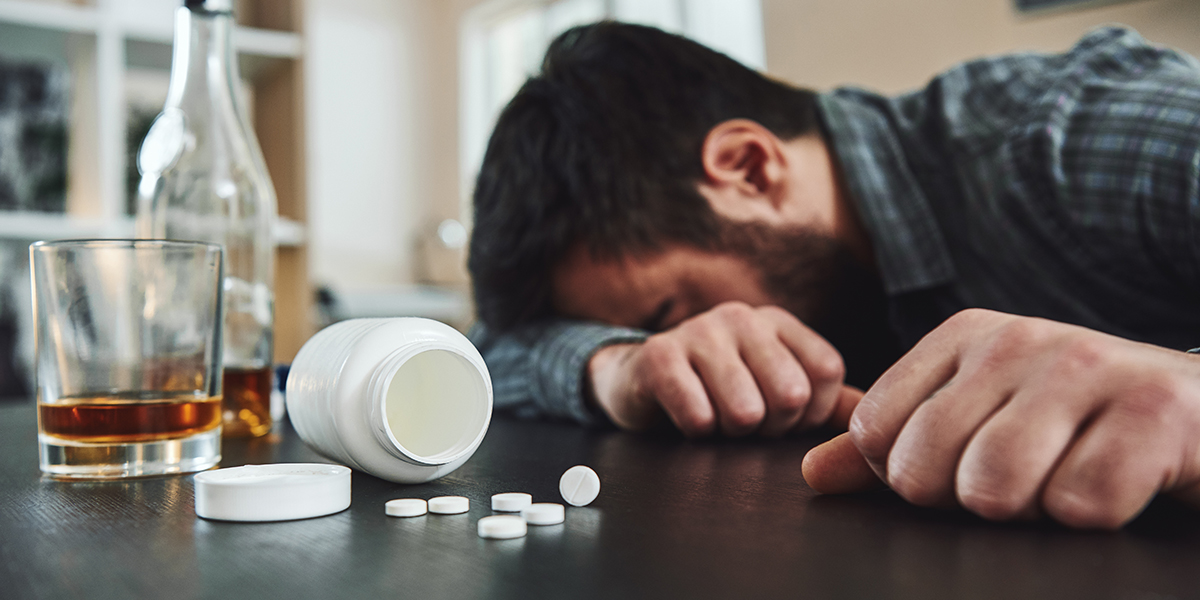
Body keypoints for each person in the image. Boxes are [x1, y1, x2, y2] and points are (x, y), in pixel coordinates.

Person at [467, 21, 1200, 529]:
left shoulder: (1080, 135)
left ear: (749, 168)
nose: (692, 343)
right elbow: (489, 351)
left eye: (669, 313)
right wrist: (616, 364)